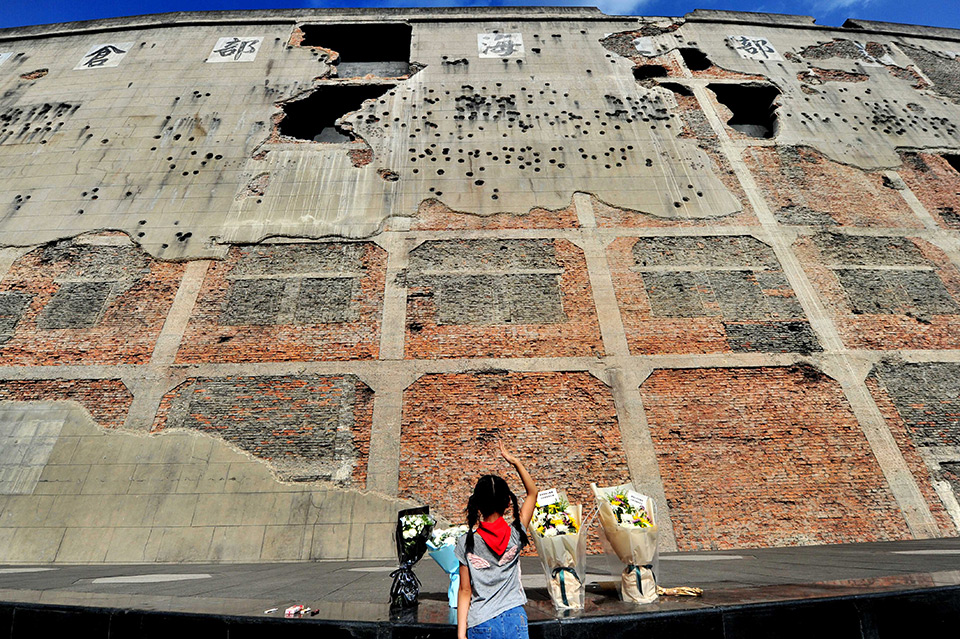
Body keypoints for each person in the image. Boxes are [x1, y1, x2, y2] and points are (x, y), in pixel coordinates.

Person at [455, 441, 537, 639]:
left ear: (477, 505)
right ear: (508, 503)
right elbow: (533, 493)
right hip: (515, 618)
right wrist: (515, 462)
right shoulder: (516, 533)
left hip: (481, 620)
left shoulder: (466, 542)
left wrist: (460, 635)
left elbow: (465, 590)